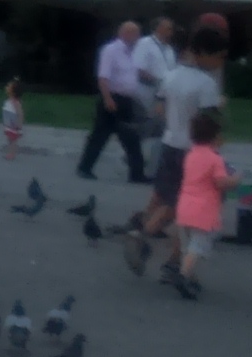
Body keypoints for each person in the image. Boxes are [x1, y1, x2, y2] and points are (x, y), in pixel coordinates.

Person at [127, 21, 228, 278]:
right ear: (204, 53)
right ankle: (152, 241)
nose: (220, 62)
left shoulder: (170, 76)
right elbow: (210, 122)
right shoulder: (206, 84)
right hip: (193, 151)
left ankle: (163, 250)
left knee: (170, 199)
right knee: (184, 208)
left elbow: (159, 107)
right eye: (218, 56)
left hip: (170, 144)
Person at [166, 107, 231, 301]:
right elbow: (221, 183)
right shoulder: (215, 159)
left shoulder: (190, 155)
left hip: (184, 207)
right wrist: (235, 180)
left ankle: (190, 277)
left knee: (187, 247)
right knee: (198, 246)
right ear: (215, 137)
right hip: (203, 211)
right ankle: (183, 275)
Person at [80, 20, 147, 183]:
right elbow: (103, 77)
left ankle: (137, 173)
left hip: (127, 100)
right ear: (125, 33)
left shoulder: (133, 52)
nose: (138, 37)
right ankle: (85, 168)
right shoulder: (111, 50)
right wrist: (107, 98)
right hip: (113, 98)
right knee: (100, 135)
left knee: (131, 137)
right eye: (136, 34)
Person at [0, 77, 28, 161]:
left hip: (14, 124)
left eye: (9, 86)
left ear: (13, 91)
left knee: (13, 140)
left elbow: (20, 113)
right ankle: (10, 152)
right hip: (9, 123)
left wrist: (19, 123)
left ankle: (12, 153)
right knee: (9, 139)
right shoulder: (9, 100)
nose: (6, 87)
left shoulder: (15, 102)